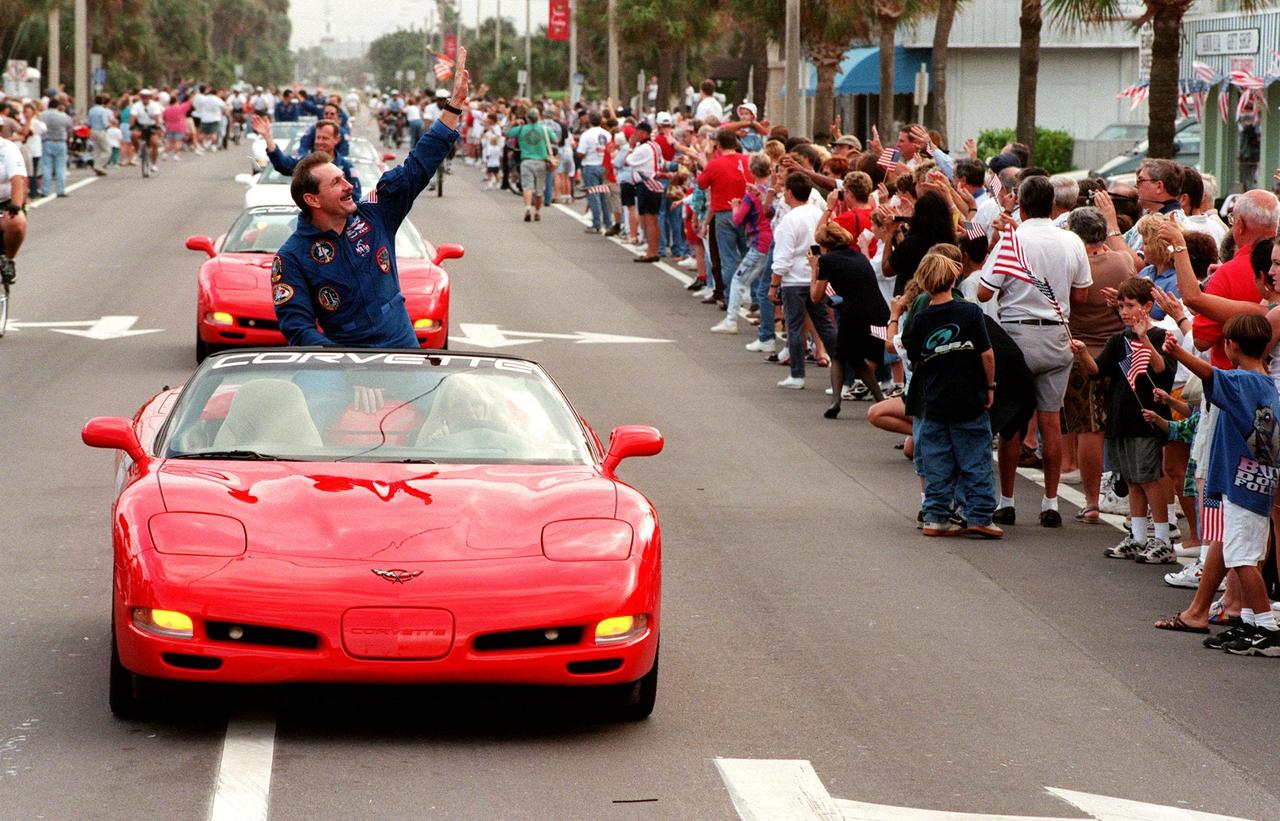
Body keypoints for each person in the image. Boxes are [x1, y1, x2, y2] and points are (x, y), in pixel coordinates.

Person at [273, 47, 470, 347]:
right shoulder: (292, 258)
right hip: (344, 370)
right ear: (312, 200)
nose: (348, 185)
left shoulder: (374, 214)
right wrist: (350, 367)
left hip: (404, 357)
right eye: (336, 183)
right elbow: (299, 330)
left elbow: (417, 165)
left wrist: (453, 106)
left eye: (344, 177)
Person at [1159, 314, 1280, 656]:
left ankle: (1267, 628)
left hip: (1244, 485)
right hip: (1253, 481)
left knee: (1242, 558)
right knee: (1239, 551)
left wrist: (1178, 353)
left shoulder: (1242, 381)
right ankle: (1250, 624)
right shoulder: (1265, 382)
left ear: (1232, 345)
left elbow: (1211, 374)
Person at [977, 175, 1092, 527]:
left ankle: (1007, 500)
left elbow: (983, 293)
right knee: (1051, 420)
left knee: (1012, 422)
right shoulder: (1071, 240)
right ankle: (1051, 502)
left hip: (1018, 335)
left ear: (1021, 205)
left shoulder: (1013, 239)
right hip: (1058, 333)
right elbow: (1082, 295)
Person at [1072, 277, 1177, 561]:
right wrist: (1083, 354)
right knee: (1131, 479)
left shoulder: (1161, 336)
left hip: (1147, 419)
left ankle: (1163, 538)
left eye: (1130, 305)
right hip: (1122, 418)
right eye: (1120, 306)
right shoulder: (1118, 339)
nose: (1124, 312)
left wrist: (1144, 338)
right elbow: (1097, 370)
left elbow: (1161, 372)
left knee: (1149, 478)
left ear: (1147, 306)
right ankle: (1139, 534)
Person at [906, 251, 1000, 538]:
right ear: (952, 278)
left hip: (935, 399)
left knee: (936, 460)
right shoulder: (970, 312)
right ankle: (980, 515)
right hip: (969, 396)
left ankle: (935, 516)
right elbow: (987, 354)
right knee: (976, 458)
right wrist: (990, 386)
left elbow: (914, 357)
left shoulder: (921, 318)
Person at [810, 221, 887, 418]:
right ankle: (881, 400)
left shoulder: (828, 261)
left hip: (854, 314)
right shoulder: (859, 256)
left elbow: (815, 297)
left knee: (839, 356)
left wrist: (814, 268)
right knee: (864, 359)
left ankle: (836, 401)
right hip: (879, 313)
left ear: (824, 245)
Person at [768, 172, 829, 390]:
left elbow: (783, 257)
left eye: (785, 190)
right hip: (815, 276)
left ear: (790, 193)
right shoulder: (819, 213)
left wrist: (774, 284)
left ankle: (797, 375)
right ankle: (844, 373)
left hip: (794, 280)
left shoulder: (790, 220)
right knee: (825, 326)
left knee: (794, 327)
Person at [251, 115, 361, 202]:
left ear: (336, 140)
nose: (320, 142)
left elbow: (355, 199)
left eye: (325, 138)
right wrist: (268, 137)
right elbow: (282, 164)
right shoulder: (306, 163)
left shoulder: (347, 167)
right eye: (318, 137)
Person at [506, 108, 555, 223]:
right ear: (538, 117)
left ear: (527, 118)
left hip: (526, 161)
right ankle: (537, 212)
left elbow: (507, 133)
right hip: (541, 161)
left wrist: (514, 122)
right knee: (539, 189)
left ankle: (528, 208)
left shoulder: (522, 128)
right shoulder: (544, 129)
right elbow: (555, 140)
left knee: (527, 187)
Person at [626, 121, 664, 262]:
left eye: (637, 132)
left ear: (644, 133)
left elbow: (628, 160)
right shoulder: (655, 146)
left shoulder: (643, 148)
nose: (635, 135)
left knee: (649, 219)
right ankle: (653, 249)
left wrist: (631, 147)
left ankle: (652, 251)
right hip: (653, 183)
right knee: (652, 219)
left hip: (647, 183)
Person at [0, 133, 28, 283]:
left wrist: (15, 207)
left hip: (5, 202)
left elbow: (18, 179)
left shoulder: (8, 149)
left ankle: (8, 260)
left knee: (16, 222)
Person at [40, 97, 72, 197]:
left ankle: (45, 190)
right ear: (58, 106)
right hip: (60, 141)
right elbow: (69, 127)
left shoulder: (42, 115)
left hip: (47, 141)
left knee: (46, 166)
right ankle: (60, 190)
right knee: (61, 166)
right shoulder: (63, 116)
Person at [86, 94, 112, 176]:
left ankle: (98, 168)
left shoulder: (91, 110)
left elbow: (88, 123)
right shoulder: (102, 110)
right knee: (107, 150)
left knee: (97, 150)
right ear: (103, 102)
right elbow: (105, 123)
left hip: (92, 130)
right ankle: (98, 166)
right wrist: (109, 126)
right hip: (100, 130)